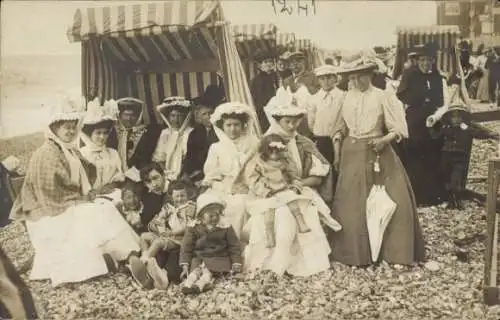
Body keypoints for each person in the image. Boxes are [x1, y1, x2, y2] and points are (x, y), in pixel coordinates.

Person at [9, 93, 151, 287]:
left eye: (73, 127)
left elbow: (85, 175)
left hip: (69, 200)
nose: (70, 131)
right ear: (54, 128)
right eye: (66, 128)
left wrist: (86, 195)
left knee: (103, 207)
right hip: (48, 209)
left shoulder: (68, 149)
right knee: (96, 211)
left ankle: (127, 255)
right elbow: (48, 192)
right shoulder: (46, 154)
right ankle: (115, 257)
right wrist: (78, 199)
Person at [330, 59, 425, 267]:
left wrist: (384, 140)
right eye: (353, 76)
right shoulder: (345, 98)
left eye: (362, 75)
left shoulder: (383, 96)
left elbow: (398, 128)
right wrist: (337, 155)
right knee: (351, 203)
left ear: (371, 74)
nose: (357, 80)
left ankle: (391, 252)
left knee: (389, 200)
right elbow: (338, 129)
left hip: (377, 152)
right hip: (351, 154)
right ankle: (356, 254)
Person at [243, 90, 335, 277]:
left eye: (296, 121)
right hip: (267, 193)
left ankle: (289, 262)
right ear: (277, 121)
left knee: (294, 211)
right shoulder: (264, 145)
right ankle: (270, 261)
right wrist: (268, 190)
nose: (292, 126)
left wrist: (296, 185)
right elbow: (252, 176)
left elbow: (317, 176)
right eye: (287, 121)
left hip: (299, 189)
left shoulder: (304, 142)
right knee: (274, 214)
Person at [244, 134, 342, 248]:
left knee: (293, 201)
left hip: (283, 188)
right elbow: (253, 180)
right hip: (268, 191)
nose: (275, 155)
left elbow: (292, 175)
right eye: (271, 152)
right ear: (265, 152)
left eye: (278, 152)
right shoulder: (259, 163)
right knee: (268, 210)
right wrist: (264, 191)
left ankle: (301, 222)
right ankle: (270, 235)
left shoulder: (284, 162)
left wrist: (294, 184)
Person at [396, 42, 450, 206]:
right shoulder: (409, 75)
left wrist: (434, 109)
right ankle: (417, 196)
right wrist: (418, 101)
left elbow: (442, 99)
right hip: (415, 119)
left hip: (433, 118)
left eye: (429, 60)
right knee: (415, 156)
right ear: (418, 61)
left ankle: (434, 195)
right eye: (422, 60)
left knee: (433, 154)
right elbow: (401, 94)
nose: (426, 64)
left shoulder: (437, 77)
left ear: (433, 61)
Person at [202, 102, 260, 238]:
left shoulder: (254, 144)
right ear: (222, 126)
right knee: (207, 202)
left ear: (243, 125)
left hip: (249, 188)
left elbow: (260, 170)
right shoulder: (216, 148)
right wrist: (228, 189)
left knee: (240, 204)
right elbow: (211, 177)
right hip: (223, 189)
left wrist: (248, 187)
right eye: (228, 125)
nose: (232, 129)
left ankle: (239, 246)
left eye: (236, 125)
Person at [428, 105, 500, 209]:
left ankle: (458, 200)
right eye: (453, 117)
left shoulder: (466, 128)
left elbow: (479, 134)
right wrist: (430, 127)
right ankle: (451, 201)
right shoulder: (446, 128)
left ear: (462, 118)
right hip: (447, 156)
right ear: (449, 118)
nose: (456, 119)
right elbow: (435, 136)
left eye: (458, 117)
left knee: (456, 179)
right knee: (447, 179)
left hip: (460, 158)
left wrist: (492, 135)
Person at [180, 193, 242, 295]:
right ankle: (188, 284)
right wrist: (185, 264)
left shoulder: (225, 226)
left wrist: (236, 263)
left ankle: (200, 285)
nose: (214, 218)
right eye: (211, 215)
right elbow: (186, 247)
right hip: (200, 258)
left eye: (217, 215)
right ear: (201, 216)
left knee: (208, 273)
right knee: (195, 272)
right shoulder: (194, 227)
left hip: (218, 258)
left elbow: (234, 246)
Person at [140, 180, 196, 263]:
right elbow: (159, 219)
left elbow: (188, 226)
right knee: (144, 236)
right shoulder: (168, 208)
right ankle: (145, 257)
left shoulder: (189, 207)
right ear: (172, 197)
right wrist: (160, 229)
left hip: (178, 239)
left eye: (182, 196)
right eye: (177, 196)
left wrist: (172, 233)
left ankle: (144, 261)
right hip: (167, 235)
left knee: (158, 242)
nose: (180, 199)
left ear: (187, 196)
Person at [79, 98, 124, 201]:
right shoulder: (82, 153)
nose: (102, 137)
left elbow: (119, 179)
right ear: (90, 134)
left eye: (105, 133)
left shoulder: (113, 153)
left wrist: (111, 186)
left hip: (111, 195)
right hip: (90, 198)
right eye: (98, 133)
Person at [107, 97, 162, 172]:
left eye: (132, 115)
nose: (129, 118)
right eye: (126, 115)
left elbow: (145, 158)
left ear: (137, 117)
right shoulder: (112, 132)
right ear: (120, 116)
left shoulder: (144, 133)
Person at [307, 64, 346, 164]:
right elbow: (311, 122)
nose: (326, 82)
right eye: (322, 79)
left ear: (335, 78)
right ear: (318, 80)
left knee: (339, 167)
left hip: (340, 139)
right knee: (324, 168)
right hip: (321, 140)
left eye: (329, 78)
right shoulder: (314, 99)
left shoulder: (343, 96)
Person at [153, 97, 193, 184]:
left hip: (186, 173)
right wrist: (167, 173)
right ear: (168, 117)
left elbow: (191, 158)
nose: (176, 119)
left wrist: (181, 173)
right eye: (173, 116)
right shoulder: (165, 133)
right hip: (167, 173)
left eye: (179, 116)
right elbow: (160, 158)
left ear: (185, 117)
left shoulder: (190, 132)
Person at [181, 96, 219, 184]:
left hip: (216, 169)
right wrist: (186, 172)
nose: (208, 116)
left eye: (210, 113)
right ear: (199, 118)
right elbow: (190, 155)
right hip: (198, 170)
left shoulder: (220, 131)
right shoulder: (194, 133)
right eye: (204, 114)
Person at [250, 50, 278, 132]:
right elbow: (259, 100)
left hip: (275, 112)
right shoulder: (258, 80)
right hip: (264, 114)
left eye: (270, 61)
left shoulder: (274, 77)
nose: (269, 64)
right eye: (265, 62)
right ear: (259, 65)